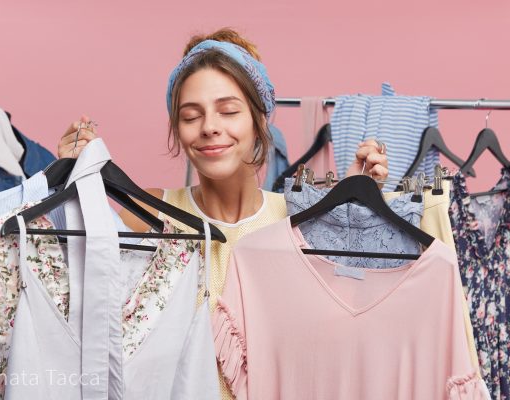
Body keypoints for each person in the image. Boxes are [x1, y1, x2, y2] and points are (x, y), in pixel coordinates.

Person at [57, 28, 388, 399]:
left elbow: (347, 340)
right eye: (190, 116)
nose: (210, 127)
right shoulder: (147, 215)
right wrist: (68, 186)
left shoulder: (300, 221)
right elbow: (77, 306)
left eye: (228, 111)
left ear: (260, 120)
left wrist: (356, 207)